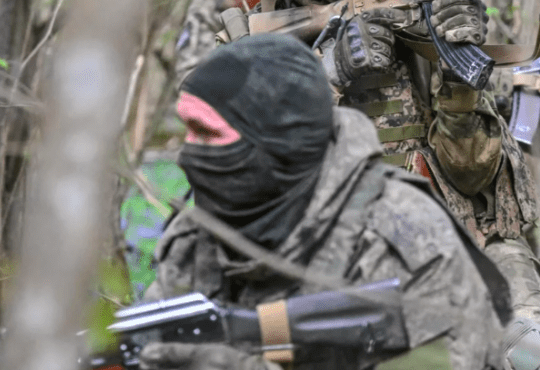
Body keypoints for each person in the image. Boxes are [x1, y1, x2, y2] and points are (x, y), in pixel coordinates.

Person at [209, 0, 540, 367]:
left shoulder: (417, 17)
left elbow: (475, 178)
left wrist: (459, 88)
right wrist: (331, 72)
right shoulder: (247, 51)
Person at [141, 34, 515, 370]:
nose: (188, 154)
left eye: (206, 133)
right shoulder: (197, 237)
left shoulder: (405, 237)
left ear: (277, 141)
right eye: (186, 130)